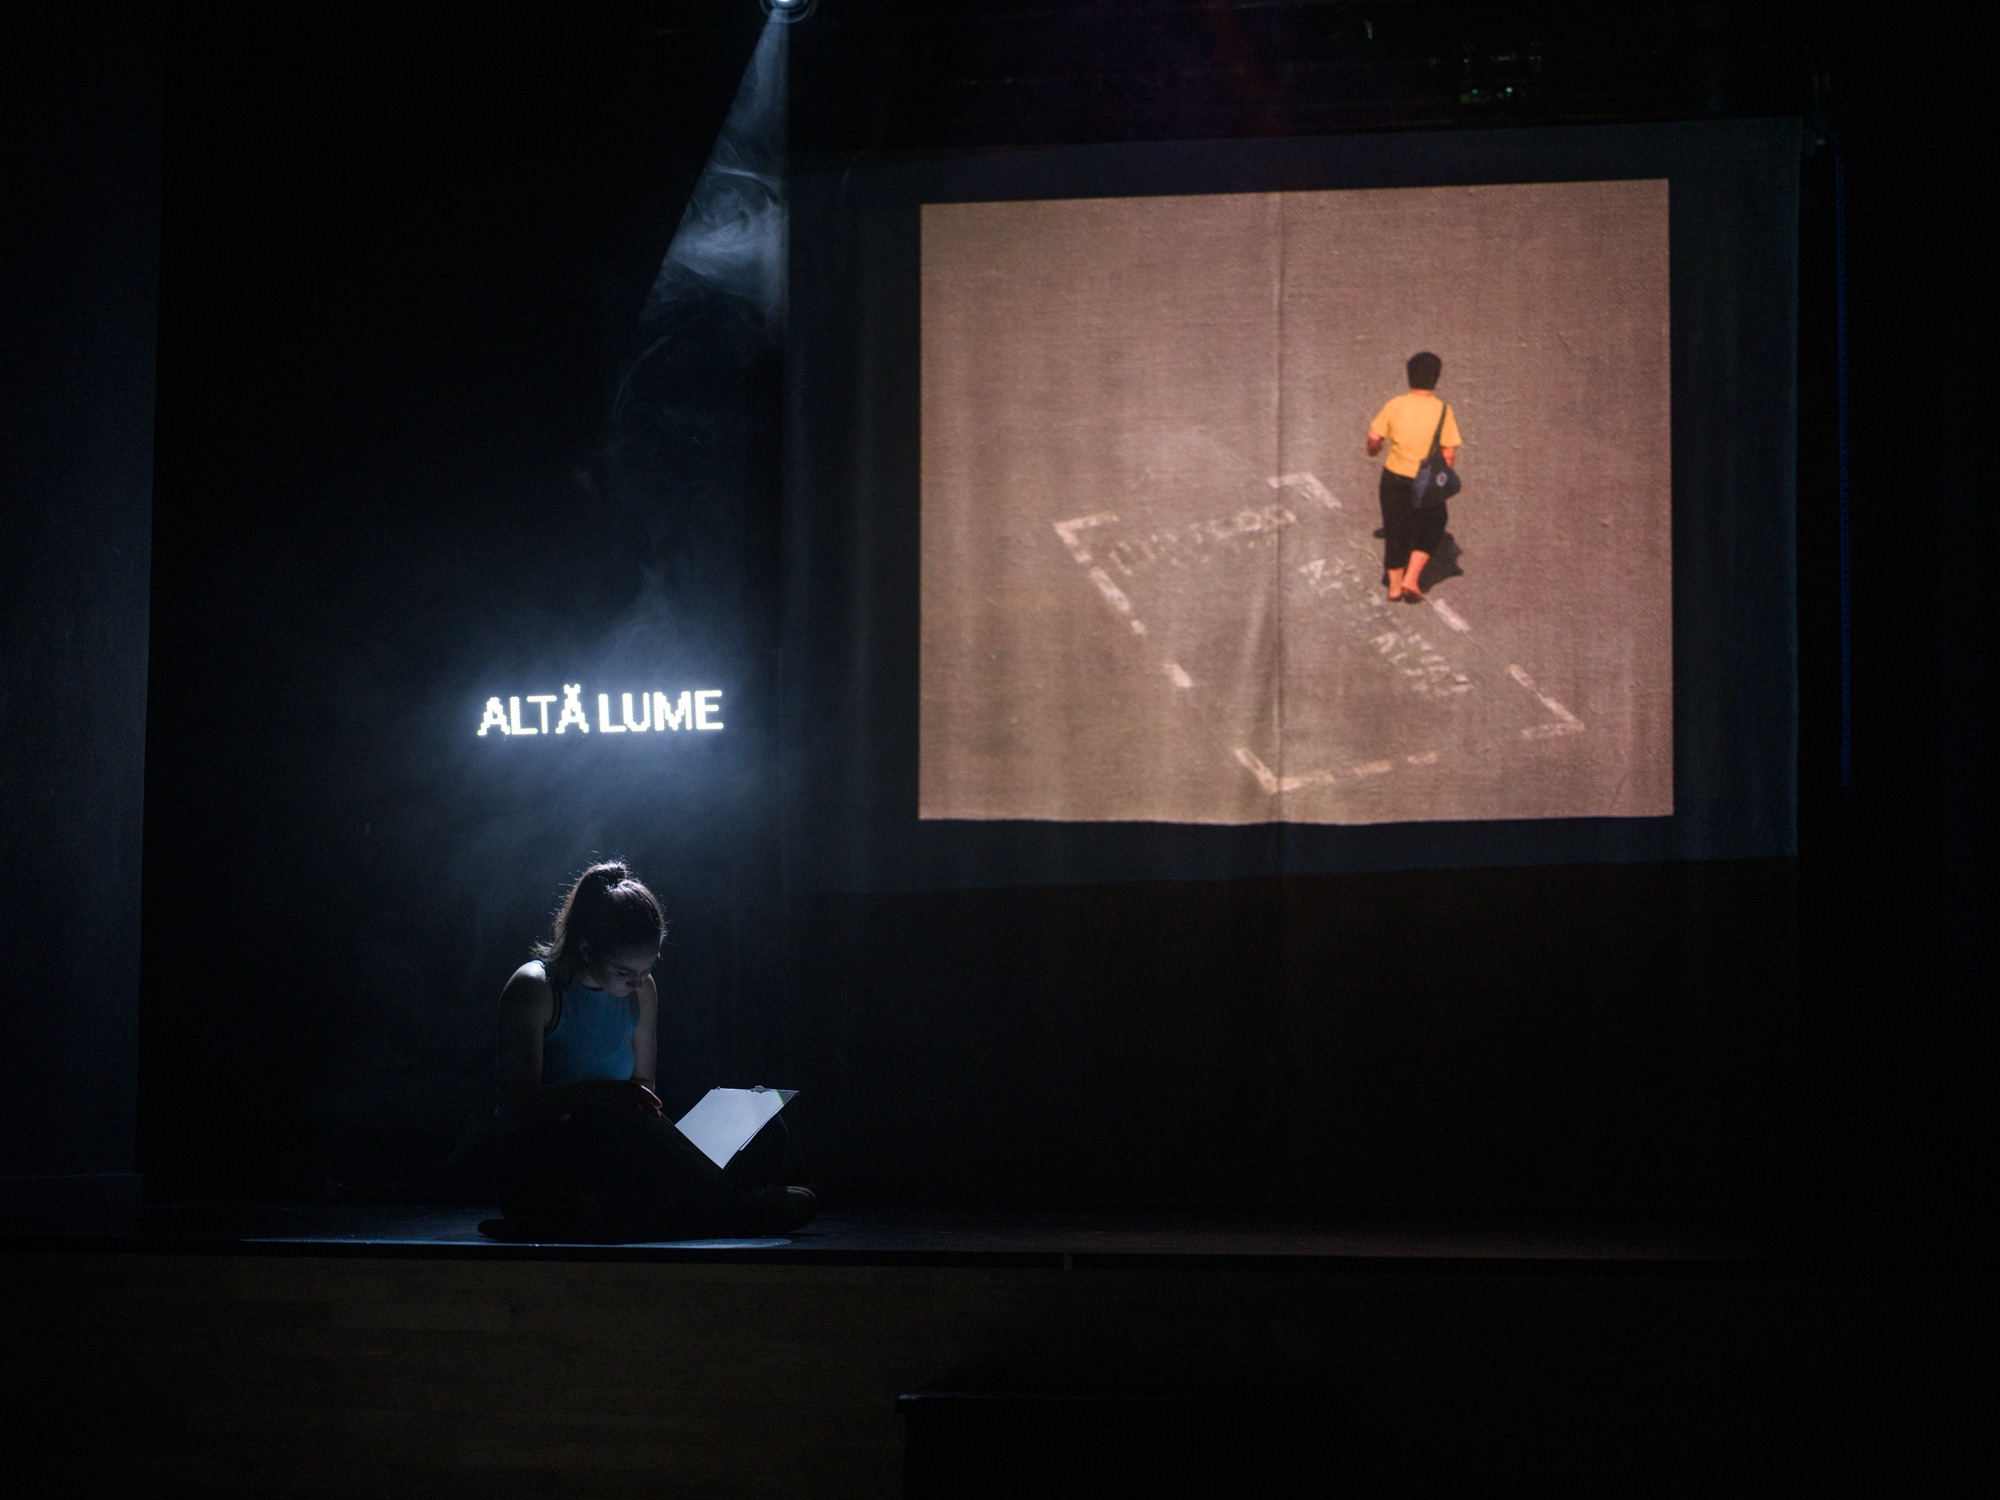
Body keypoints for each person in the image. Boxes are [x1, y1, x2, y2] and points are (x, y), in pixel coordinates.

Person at [484, 860, 816, 1241]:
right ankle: (743, 1208)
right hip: (550, 1158)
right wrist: (603, 1096)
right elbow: (516, 1108)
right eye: (625, 973)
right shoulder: (536, 988)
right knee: (605, 1133)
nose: (638, 981)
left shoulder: (642, 990)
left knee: (765, 1129)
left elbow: (643, 1093)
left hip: (622, 1151)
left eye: (648, 969)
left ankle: (678, 1207)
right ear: (587, 950)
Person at [1366, 351, 1462, 604]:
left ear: (1409, 376)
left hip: (1394, 478)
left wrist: (1374, 450)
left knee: (1395, 529)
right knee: (1433, 524)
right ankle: (1412, 578)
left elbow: (1374, 438)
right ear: (1436, 378)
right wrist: (1442, 478)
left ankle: (1394, 587)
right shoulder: (1443, 411)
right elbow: (1449, 452)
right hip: (1425, 482)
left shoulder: (1395, 405)